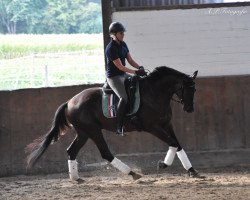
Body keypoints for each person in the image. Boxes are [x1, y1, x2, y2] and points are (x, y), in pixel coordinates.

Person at [105, 22, 147, 135]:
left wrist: (140, 67)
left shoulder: (123, 44)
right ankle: (118, 126)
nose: (123, 34)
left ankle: (134, 115)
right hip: (114, 77)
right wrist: (136, 72)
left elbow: (130, 60)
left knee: (138, 85)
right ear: (113, 34)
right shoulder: (110, 49)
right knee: (123, 98)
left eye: (123, 32)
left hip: (123, 74)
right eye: (121, 33)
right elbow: (120, 66)